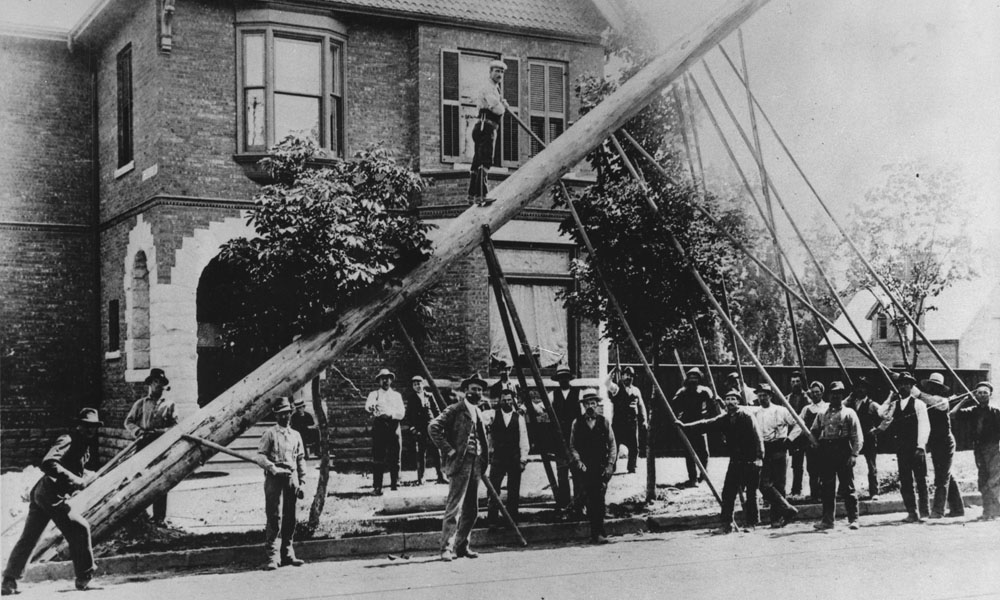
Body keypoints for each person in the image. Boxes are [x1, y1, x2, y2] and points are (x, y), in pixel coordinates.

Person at [2, 408, 102, 595]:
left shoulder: (84, 445)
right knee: (80, 529)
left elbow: (71, 467)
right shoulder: (68, 439)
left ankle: (9, 581)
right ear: (79, 426)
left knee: (30, 537)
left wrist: (86, 476)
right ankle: (84, 578)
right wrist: (75, 479)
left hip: (44, 494)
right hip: (50, 494)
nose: (91, 430)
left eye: (94, 426)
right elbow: (48, 463)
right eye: (87, 425)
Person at [680, 390, 763, 533]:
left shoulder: (747, 416)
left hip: (751, 460)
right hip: (735, 461)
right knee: (728, 493)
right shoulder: (724, 418)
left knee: (751, 493)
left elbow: (758, 437)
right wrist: (685, 426)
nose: (730, 402)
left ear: (738, 401)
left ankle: (751, 523)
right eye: (728, 399)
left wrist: (759, 458)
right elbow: (706, 424)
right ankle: (726, 524)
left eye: (733, 399)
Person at [429, 373, 490, 561]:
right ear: (466, 391)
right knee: (454, 507)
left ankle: (462, 546)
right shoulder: (455, 409)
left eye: (480, 390)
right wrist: (449, 450)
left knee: (472, 509)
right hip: (460, 464)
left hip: (476, 463)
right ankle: (446, 549)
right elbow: (433, 427)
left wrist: (483, 459)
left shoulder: (478, 412)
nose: (477, 392)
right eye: (474, 389)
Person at [123, 367, 178, 526]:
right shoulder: (141, 403)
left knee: (161, 479)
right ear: (150, 384)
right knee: (139, 478)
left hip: (161, 445)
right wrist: (138, 431)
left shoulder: (169, 404)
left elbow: (175, 426)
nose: (158, 385)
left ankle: (159, 517)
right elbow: (128, 422)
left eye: (161, 383)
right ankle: (140, 515)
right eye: (155, 382)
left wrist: (161, 432)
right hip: (143, 444)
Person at [257, 398, 307, 570]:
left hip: (291, 477)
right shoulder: (269, 434)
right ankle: (273, 556)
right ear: (276, 415)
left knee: (290, 516)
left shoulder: (296, 435)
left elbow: (301, 459)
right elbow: (260, 456)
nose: (285, 416)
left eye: (287, 413)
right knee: (274, 516)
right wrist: (273, 468)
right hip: (275, 478)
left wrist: (302, 481)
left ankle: (288, 553)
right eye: (281, 414)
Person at [810, 381, 863, 530]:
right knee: (827, 487)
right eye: (833, 394)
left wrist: (854, 454)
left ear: (842, 395)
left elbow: (857, 436)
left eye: (839, 394)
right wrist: (815, 443)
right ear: (829, 395)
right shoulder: (822, 413)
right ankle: (827, 521)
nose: (836, 397)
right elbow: (813, 430)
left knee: (848, 487)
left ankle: (854, 519)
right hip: (826, 452)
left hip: (843, 451)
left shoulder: (849, 413)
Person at [879, 372, 930, 522]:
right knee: (906, 481)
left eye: (906, 384)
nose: (903, 387)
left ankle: (924, 513)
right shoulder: (895, 404)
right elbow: (882, 413)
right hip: (902, 448)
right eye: (900, 384)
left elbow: (924, 425)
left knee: (921, 480)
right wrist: (890, 398)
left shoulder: (919, 404)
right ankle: (912, 512)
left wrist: (921, 446)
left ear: (911, 386)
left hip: (916, 447)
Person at [914, 372, 965, 518]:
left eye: (936, 386)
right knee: (945, 474)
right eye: (931, 385)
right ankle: (958, 509)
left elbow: (926, 398)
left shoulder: (942, 401)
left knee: (941, 478)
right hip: (935, 443)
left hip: (945, 442)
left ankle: (938, 511)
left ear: (941, 389)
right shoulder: (925, 402)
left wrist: (916, 391)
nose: (933, 388)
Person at [569, 389, 618, 543]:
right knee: (590, 498)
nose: (590, 406)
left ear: (597, 405)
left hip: (601, 466)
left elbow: (612, 445)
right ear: (583, 405)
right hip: (585, 467)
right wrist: (578, 461)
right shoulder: (577, 423)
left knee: (600, 498)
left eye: (593, 403)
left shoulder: (604, 422)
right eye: (587, 403)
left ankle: (599, 532)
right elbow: (572, 446)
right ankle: (595, 533)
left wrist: (610, 464)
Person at [751, 383, 800, 527]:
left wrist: (789, 439)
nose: (762, 398)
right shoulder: (755, 412)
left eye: (765, 395)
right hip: (764, 449)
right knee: (763, 484)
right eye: (759, 395)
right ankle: (788, 509)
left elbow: (798, 424)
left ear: (771, 396)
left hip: (779, 447)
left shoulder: (781, 410)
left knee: (779, 484)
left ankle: (777, 519)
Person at [955, 382, 1000, 519]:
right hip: (979, 449)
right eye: (979, 393)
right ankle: (988, 511)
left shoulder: (996, 412)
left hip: (994, 449)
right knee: (983, 480)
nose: (982, 395)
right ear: (975, 394)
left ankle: (993, 512)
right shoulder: (973, 411)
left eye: (985, 392)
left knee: (993, 481)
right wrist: (964, 400)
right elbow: (953, 414)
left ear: (990, 395)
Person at [468, 60, 507, 205]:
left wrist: (501, 101)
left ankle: (472, 194)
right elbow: (496, 108)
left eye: (501, 72)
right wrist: (502, 105)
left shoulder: (495, 89)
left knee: (478, 160)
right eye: (497, 71)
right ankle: (481, 195)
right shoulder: (488, 87)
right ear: (490, 72)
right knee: (485, 160)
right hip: (486, 127)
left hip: (484, 126)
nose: (499, 74)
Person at [487, 388, 529, 524]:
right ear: (500, 401)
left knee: (513, 489)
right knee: (493, 488)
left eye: (509, 400)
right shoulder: (493, 414)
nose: (507, 402)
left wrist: (523, 459)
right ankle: (492, 519)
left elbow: (524, 439)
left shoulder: (519, 418)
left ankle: (512, 520)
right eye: (504, 400)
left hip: (514, 458)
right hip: (498, 458)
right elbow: (481, 421)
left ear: (513, 400)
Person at [672, 367, 717, 487]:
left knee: (704, 452)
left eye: (695, 377)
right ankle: (692, 478)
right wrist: (679, 417)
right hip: (687, 424)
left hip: (701, 424)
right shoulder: (682, 392)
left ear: (699, 378)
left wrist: (708, 416)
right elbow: (674, 404)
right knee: (689, 452)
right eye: (691, 377)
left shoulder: (704, 391)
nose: (693, 380)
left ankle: (703, 475)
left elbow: (712, 405)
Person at [365, 368, 405, 495]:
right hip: (380, 428)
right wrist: (371, 407)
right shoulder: (374, 394)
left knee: (395, 457)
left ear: (391, 380)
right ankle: (377, 487)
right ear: (379, 381)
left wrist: (391, 415)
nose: (385, 381)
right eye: (383, 379)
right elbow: (368, 406)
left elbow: (401, 413)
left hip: (394, 427)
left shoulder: (397, 396)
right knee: (378, 458)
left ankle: (395, 485)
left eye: (387, 378)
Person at [844, 377, 882, 500]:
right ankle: (848, 490)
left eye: (863, 387)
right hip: (854, 439)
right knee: (848, 463)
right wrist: (850, 397)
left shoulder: (872, 404)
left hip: (868, 438)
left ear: (867, 389)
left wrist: (878, 429)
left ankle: (874, 492)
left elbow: (886, 415)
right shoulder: (850, 403)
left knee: (871, 466)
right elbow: (840, 406)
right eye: (858, 387)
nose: (860, 390)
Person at [549, 366, 580, 513]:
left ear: (569, 378)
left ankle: (578, 503)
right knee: (562, 473)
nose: (563, 380)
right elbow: (541, 407)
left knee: (577, 472)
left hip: (575, 439)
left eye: (565, 377)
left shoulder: (578, 394)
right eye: (561, 378)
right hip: (559, 441)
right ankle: (564, 504)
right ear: (558, 380)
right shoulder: (552, 395)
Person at [403, 375, 444, 484]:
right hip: (419, 429)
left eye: (419, 384)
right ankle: (421, 477)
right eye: (415, 384)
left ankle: (440, 475)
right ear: (413, 386)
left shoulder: (429, 396)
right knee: (421, 453)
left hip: (431, 427)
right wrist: (412, 428)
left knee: (436, 451)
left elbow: (436, 411)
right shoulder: (411, 398)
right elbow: (408, 415)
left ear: (423, 384)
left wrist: (438, 425)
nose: (417, 386)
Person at [606, 366, 647, 474]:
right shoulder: (617, 388)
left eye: (631, 376)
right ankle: (612, 467)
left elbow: (641, 406)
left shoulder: (636, 390)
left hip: (632, 424)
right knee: (614, 447)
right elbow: (607, 383)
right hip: (618, 423)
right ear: (622, 376)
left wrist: (644, 420)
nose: (629, 377)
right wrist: (613, 371)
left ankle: (631, 467)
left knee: (634, 447)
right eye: (626, 375)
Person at [795, 381, 828, 500]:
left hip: (824, 443)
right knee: (812, 469)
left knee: (824, 469)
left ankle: (824, 494)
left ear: (822, 393)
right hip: (810, 444)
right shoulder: (806, 409)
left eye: (817, 392)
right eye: (813, 392)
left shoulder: (827, 407)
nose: (815, 395)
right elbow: (799, 424)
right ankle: (814, 494)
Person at [786, 372, 809, 496]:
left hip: (805, 435)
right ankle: (795, 489)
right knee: (795, 464)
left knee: (810, 464)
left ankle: (811, 490)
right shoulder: (786, 399)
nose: (795, 384)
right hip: (793, 435)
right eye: (793, 381)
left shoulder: (807, 398)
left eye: (797, 381)